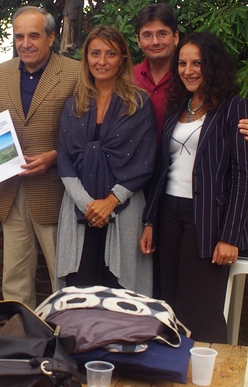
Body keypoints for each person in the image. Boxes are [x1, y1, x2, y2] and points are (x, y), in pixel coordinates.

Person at [140, 32, 248, 343]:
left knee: (201, 309)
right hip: (168, 212)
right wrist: (150, 219)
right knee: (168, 303)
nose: (188, 70)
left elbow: (243, 176)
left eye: (197, 63)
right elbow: (162, 168)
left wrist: (229, 236)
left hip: (207, 219)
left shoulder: (235, 107)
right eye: (182, 63)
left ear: (213, 65)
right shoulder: (178, 105)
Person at [0, 6, 80, 309]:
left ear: (51, 37)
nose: (25, 43)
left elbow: (85, 136)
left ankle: (64, 344)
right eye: (19, 36)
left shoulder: (75, 72)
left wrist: (54, 156)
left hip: (55, 191)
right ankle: (19, 342)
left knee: (63, 279)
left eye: (33, 36)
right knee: (14, 279)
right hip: (9, 191)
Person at [55, 25, 157, 296]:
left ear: (122, 58)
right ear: (86, 58)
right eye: (95, 53)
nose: (102, 61)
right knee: (78, 293)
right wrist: (89, 206)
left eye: (110, 54)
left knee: (119, 296)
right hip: (79, 212)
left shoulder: (139, 103)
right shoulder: (73, 104)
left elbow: (144, 162)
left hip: (123, 212)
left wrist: (110, 202)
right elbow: (64, 160)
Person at [132, 2, 248, 142]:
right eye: (147, 35)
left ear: (176, 37)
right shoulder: (126, 79)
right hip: (137, 163)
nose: (155, 42)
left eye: (162, 33)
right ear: (138, 41)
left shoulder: (194, 78)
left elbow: (226, 116)